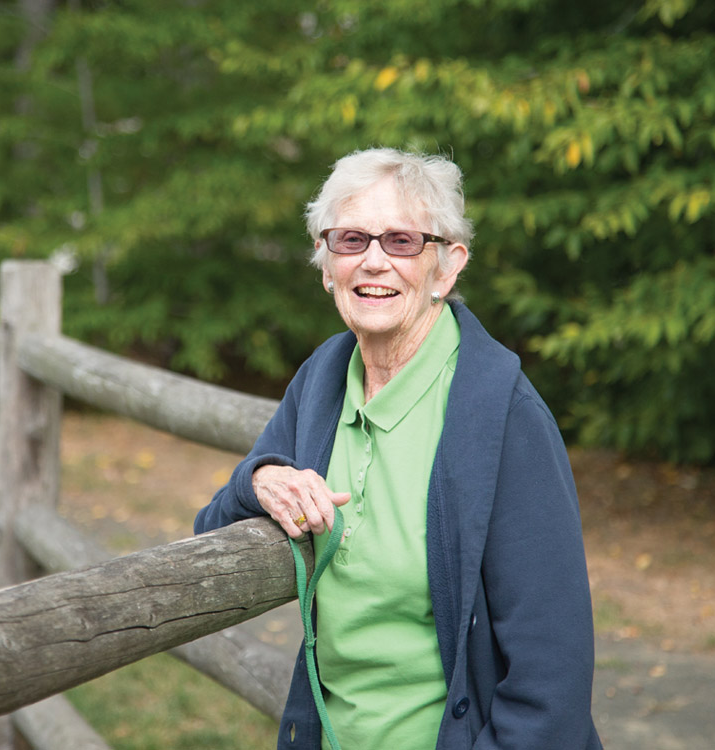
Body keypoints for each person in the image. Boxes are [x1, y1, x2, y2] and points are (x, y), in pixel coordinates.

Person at [194, 147, 602, 750]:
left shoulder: (504, 414)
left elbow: (553, 682)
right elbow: (210, 531)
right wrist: (258, 481)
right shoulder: (324, 378)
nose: (374, 262)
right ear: (325, 264)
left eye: (403, 241)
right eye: (351, 239)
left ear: (447, 266)